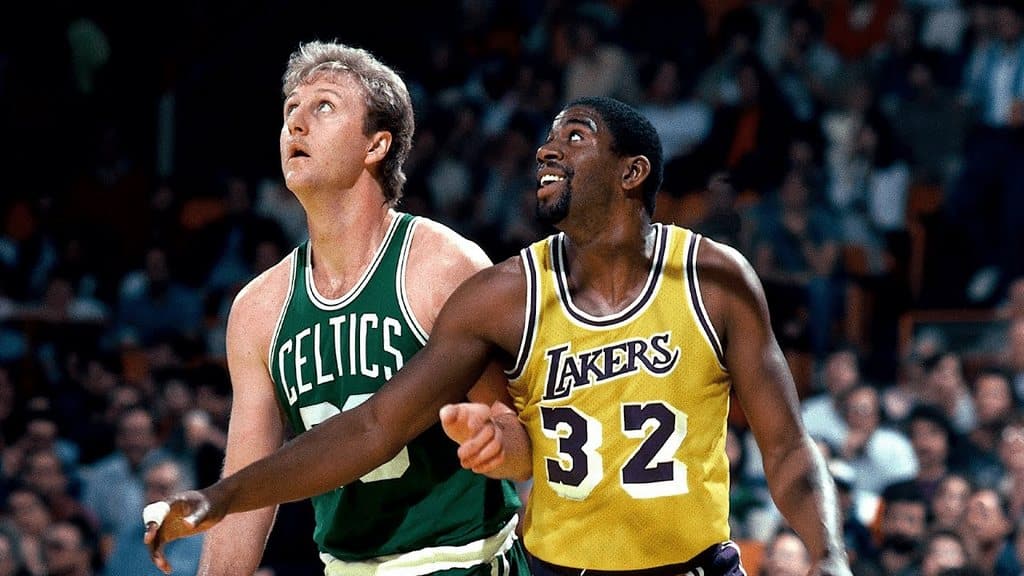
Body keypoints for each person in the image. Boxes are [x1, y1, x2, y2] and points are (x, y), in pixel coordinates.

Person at [145, 96, 851, 576]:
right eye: (548, 138)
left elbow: (788, 447)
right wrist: (223, 497)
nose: (548, 149)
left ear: (632, 173)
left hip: (693, 565)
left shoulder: (714, 279)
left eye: (575, 137)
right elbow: (373, 426)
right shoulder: (503, 296)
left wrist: (829, 554)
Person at [156, 39, 528, 576]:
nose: (295, 124)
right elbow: (247, 490)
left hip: (464, 559)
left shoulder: (443, 265)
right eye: (290, 109)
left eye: (323, 106)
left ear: (376, 145)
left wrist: (494, 443)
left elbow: (518, 441)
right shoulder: (258, 309)